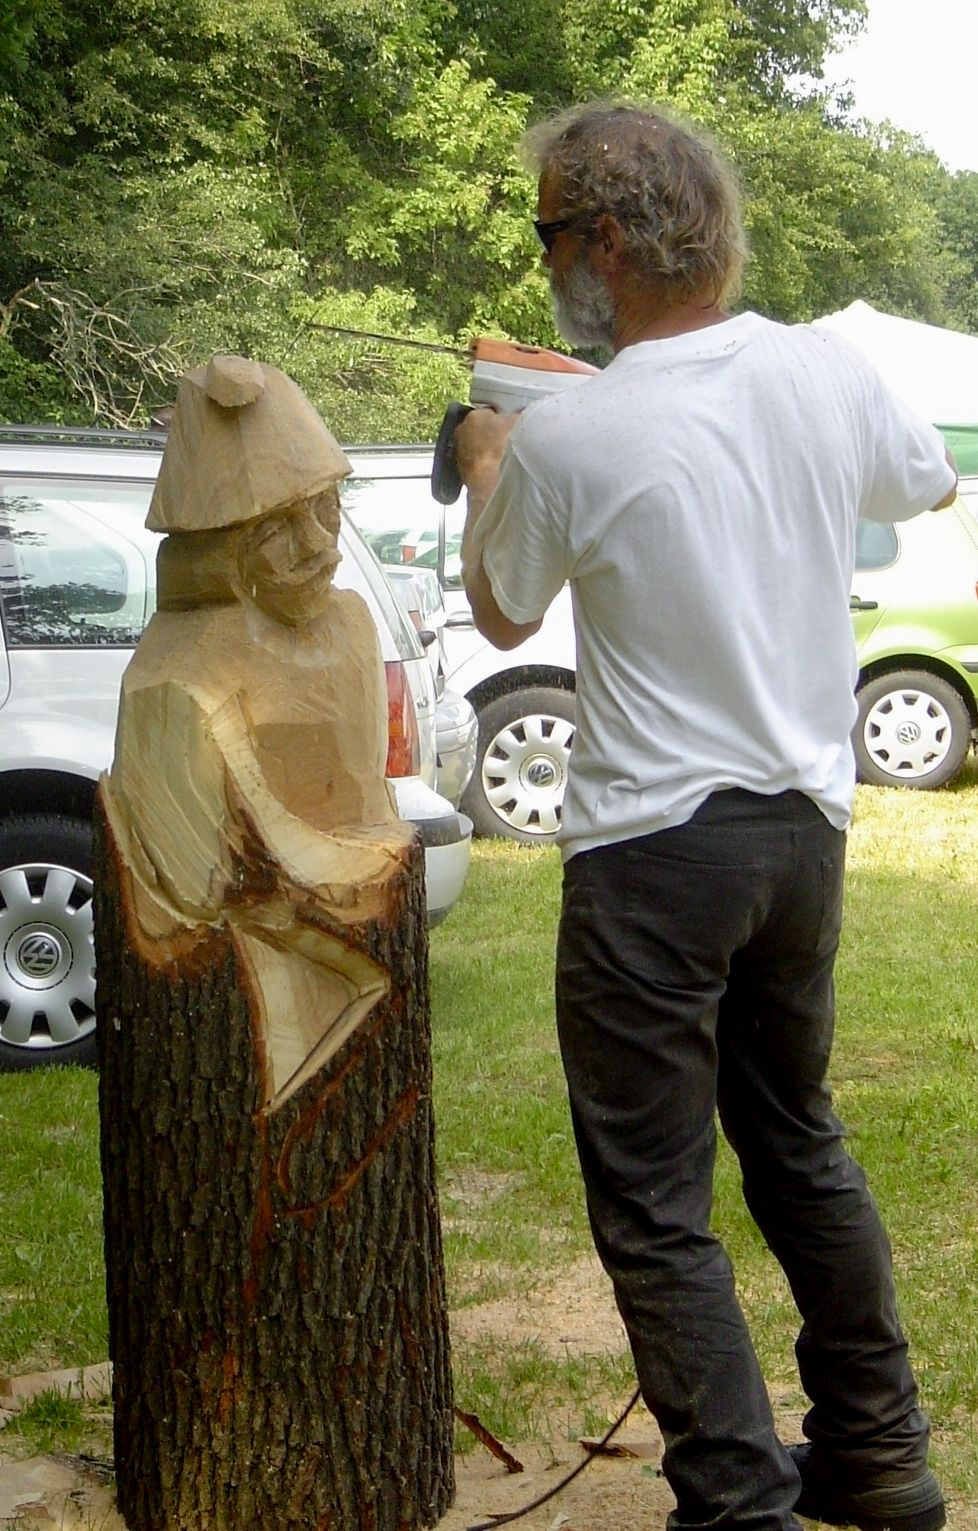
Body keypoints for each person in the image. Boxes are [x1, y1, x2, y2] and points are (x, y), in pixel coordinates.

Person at [454, 102, 957, 1531]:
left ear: (607, 241)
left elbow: (500, 609)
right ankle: (875, 1459)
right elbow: (919, 477)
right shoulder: (820, 366)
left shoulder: (569, 435)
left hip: (651, 858)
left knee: (655, 1200)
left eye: (553, 231)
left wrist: (493, 461)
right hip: (799, 834)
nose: (548, 254)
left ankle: (735, 1502)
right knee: (796, 1141)